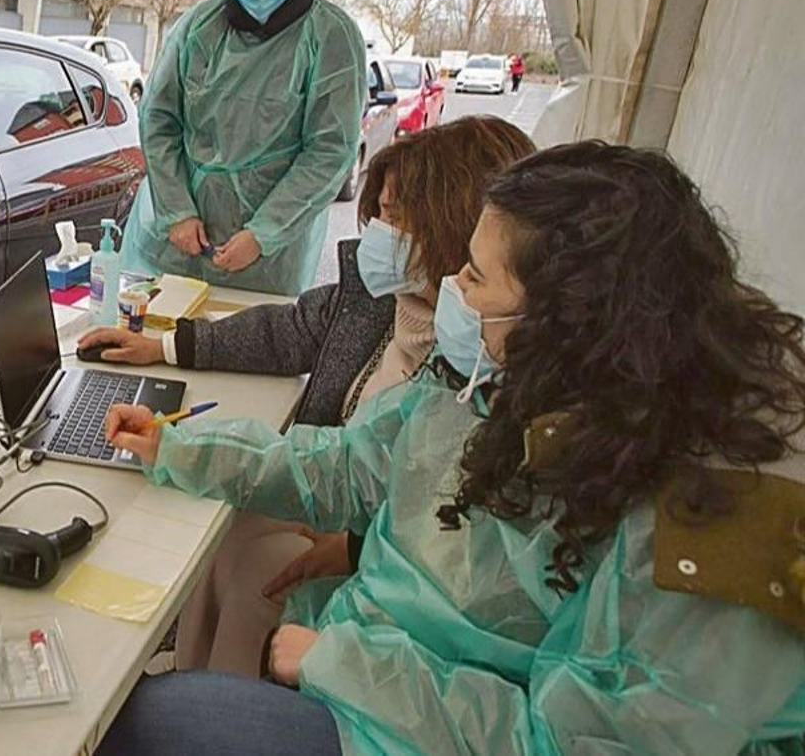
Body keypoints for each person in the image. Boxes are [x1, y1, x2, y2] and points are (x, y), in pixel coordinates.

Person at [99, 141, 805, 755]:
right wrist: (180, 446)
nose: (453, 292)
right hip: (378, 681)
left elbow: (574, 742)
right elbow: (348, 466)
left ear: (568, 312)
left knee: (150, 724)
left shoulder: (714, 521)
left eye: (476, 275)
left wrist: (341, 662)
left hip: (408, 722)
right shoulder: (515, 379)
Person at [78, 116, 534, 676]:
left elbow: (441, 537)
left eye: (394, 217)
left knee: (251, 574)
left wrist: (355, 547)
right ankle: (196, 680)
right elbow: (294, 345)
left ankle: (216, 703)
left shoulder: (477, 369)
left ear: (453, 227)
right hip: (348, 514)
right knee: (219, 536)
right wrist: (168, 355)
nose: (377, 235)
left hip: (377, 571)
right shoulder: (392, 306)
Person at [123, 0, 366, 295]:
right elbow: (159, 120)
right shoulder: (198, 29)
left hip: (265, 262)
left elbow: (329, 150)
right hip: (175, 244)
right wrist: (177, 211)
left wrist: (264, 232)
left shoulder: (329, 36)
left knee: (246, 347)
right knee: (151, 343)